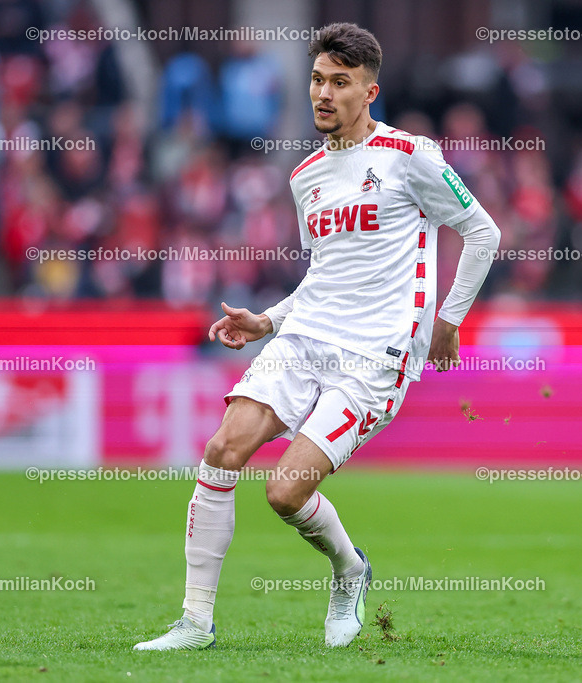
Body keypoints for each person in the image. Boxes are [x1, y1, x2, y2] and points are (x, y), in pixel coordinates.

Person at [134, 22, 501, 651]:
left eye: (340, 82)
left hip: (374, 357)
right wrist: (267, 321)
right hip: (305, 339)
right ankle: (195, 621)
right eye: (316, 80)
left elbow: (483, 233)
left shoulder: (411, 157)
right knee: (222, 451)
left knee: (284, 490)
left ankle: (349, 568)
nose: (323, 94)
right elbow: (324, 276)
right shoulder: (305, 177)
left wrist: (449, 318)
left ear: (369, 92)